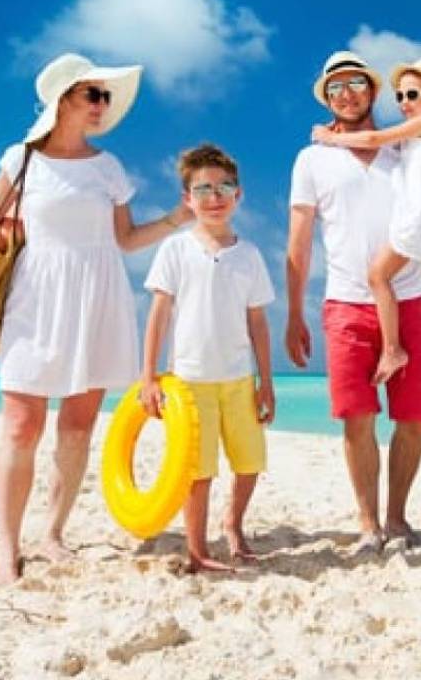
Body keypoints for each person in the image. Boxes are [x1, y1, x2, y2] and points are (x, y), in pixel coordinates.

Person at [0, 53, 187, 586]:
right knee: (22, 426)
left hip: (98, 298)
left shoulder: (108, 168)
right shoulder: (22, 161)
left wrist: (175, 220)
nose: (101, 106)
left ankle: (53, 534)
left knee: (77, 427)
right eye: (93, 95)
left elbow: (125, 239)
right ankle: (6, 548)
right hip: (36, 299)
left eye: (105, 97)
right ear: (64, 99)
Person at [285, 51, 421, 554]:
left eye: (356, 83)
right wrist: (293, 313)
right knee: (357, 417)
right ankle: (367, 524)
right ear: (326, 97)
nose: (346, 94)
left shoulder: (406, 148)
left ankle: (397, 519)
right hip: (346, 303)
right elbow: (299, 239)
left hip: (411, 298)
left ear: (371, 91)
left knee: (414, 416)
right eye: (335, 88)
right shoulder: (312, 158)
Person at [139, 144, 276, 572]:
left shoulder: (250, 255)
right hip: (190, 381)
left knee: (251, 461)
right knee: (198, 471)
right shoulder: (175, 250)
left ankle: (233, 525)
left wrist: (266, 382)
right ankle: (197, 550)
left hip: (238, 378)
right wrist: (149, 378)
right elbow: (158, 317)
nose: (214, 197)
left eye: (224, 188)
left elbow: (258, 323)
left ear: (239, 195)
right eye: (203, 190)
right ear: (187, 199)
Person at [311, 54, 421, 383]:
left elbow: (372, 139)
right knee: (408, 259)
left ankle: (393, 348)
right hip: (418, 213)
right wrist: (339, 129)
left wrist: (331, 138)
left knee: (377, 275)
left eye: (412, 95)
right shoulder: (417, 135)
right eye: (399, 96)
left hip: (420, 212)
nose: (403, 102)